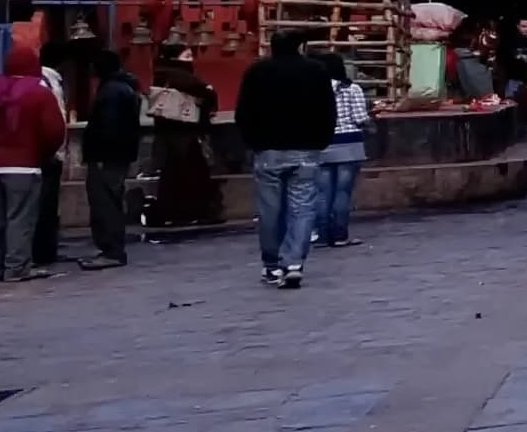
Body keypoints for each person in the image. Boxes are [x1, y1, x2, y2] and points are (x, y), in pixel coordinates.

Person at [236, 29, 338, 288]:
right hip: (306, 148)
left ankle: (271, 265)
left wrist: (254, 142)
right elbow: (328, 109)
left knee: (269, 210)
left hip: (268, 149)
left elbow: (243, 112)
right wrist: (321, 140)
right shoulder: (316, 71)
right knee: (302, 208)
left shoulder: (257, 72)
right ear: (300, 46)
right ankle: (293, 262)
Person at [0, 38, 69, 284]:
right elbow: (55, 132)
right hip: (25, 166)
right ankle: (16, 267)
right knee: (20, 218)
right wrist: (41, 153)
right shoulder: (40, 95)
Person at [148, 46, 223, 228]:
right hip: (184, 134)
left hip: (173, 134)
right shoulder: (180, 76)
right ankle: (189, 212)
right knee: (189, 173)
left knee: (174, 173)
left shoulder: (163, 74)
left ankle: (174, 212)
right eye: (187, 56)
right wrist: (208, 90)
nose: (190, 60)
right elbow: (202, 91)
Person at [80, 59, 144, 269]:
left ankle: (111, 250)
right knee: (110, 200)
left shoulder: (110, 92)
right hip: (117, 156)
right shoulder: (123, 88)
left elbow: (108, 127)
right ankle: (110, 248)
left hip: (106, 157)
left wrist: (98, 153)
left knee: (104, 202)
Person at [313, 52, 373, 248]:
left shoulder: (313, 90)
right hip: (349, 144)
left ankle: (322, 236)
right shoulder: (352, 89)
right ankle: (340, 236)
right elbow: (360, 118)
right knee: (343, 192)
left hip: (323, 143)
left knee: (323, 193)